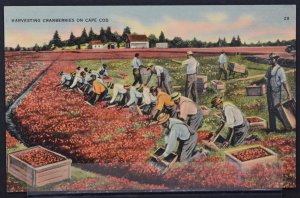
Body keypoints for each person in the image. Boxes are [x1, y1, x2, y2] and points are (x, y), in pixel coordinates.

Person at [265, 53, 292, 133]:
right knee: (270, 110)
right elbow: (265, 79)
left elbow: (284, 82)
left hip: (276, 92)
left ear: (276, 59)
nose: (270, 60)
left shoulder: (280, 69)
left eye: (272, 59)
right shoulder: (269, 69)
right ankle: (273, 129)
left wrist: (289, 93)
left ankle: (287, 126)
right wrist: (255, 83)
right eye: (270, 59)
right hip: (269, 92)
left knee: (277, 110)